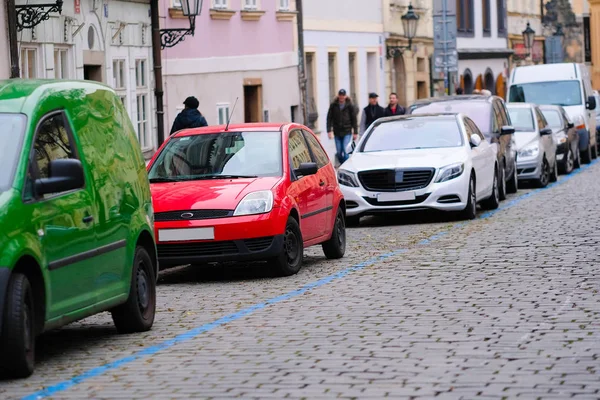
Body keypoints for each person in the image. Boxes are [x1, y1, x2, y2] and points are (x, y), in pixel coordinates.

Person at [326, 89, 358, 165]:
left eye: (343, 95)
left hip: (347, 131)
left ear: (345, 96)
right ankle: (344, 164)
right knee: (339, 152)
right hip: (337, 131)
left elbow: (354, 119)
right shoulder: (333, 105)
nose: (341, 97)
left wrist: (355, 132)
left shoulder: (349, 105)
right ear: (338, 95)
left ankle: (347, 165)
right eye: (340, 95)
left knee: (345, 150)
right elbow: (329, 118)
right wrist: (329, 130)